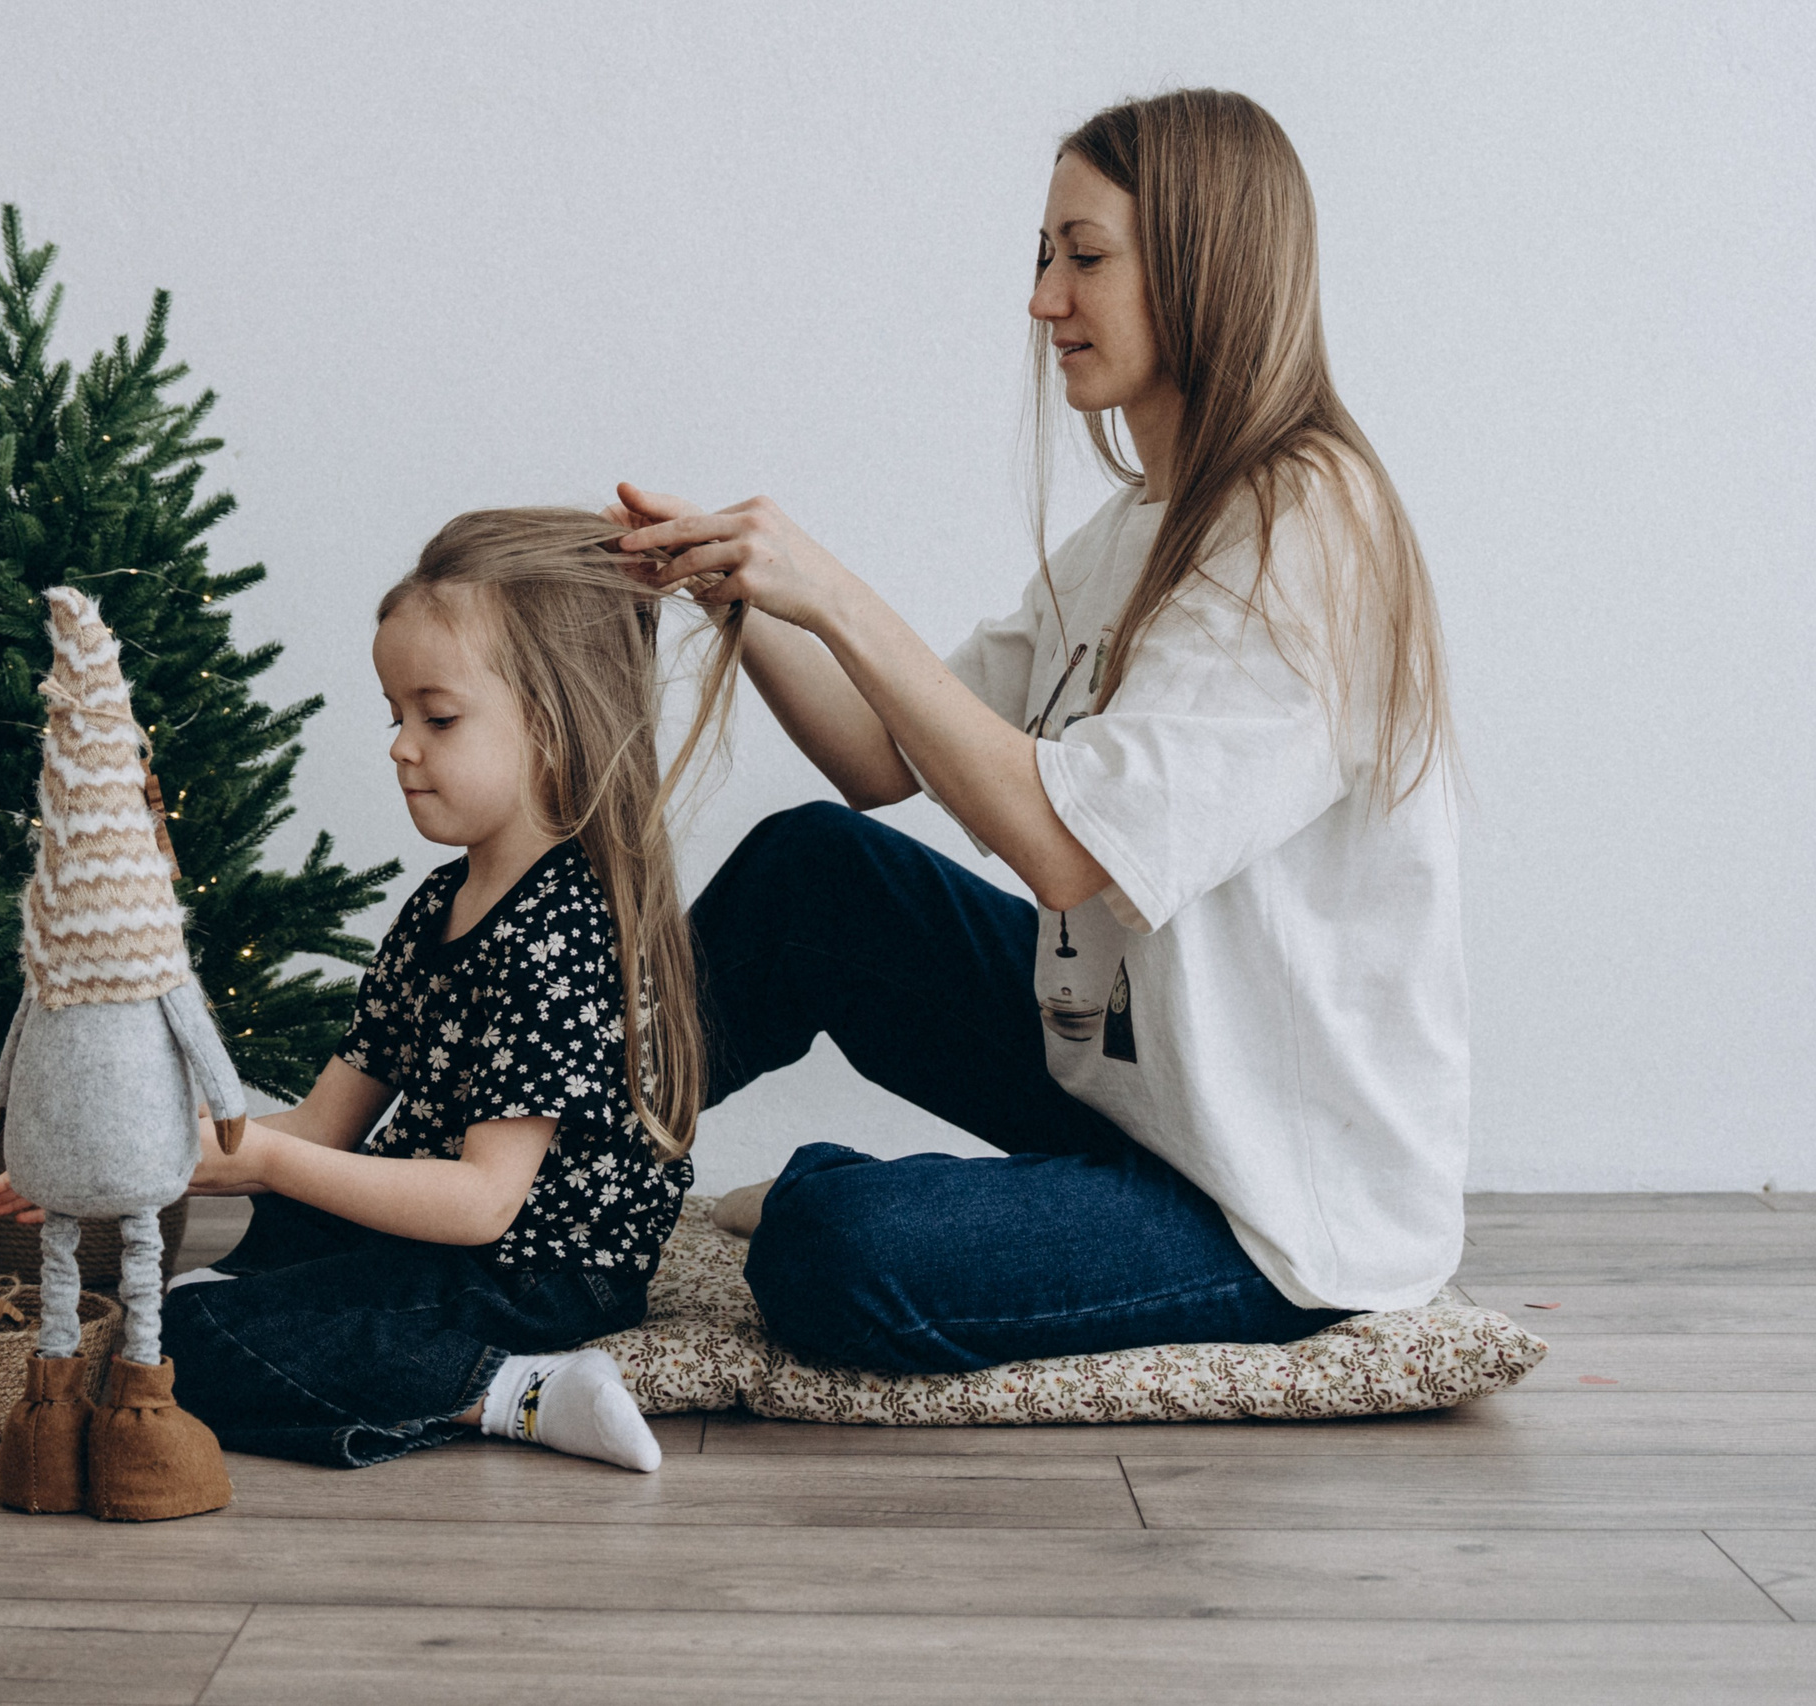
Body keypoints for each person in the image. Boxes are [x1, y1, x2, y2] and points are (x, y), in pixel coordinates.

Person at [612, 87, 1468, 1375]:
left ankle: (813, 1192)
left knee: (830, 1243)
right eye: (1041, 258)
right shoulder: (1142, 524)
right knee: (809, 875)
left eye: (1084, 257)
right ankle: (530, 1177)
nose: (1042, 299)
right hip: (1129, 1093)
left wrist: (835, 586)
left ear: (1201, 261)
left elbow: (1072, 851)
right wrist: (741, 591)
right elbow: (879, 755)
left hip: (1271, 1207)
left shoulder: (1306, 530)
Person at [0, 508, 737, 1469]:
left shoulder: (562, 930)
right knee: (274, 1229)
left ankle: (516, 1389)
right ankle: (267, 1312)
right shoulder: (439, 904)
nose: (399, 746)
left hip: (539, 1276)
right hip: (448, 1245)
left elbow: (481, 1204)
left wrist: (264, 1163)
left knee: (184, 1345)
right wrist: (121, 1163)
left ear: (554, 724)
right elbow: (322, 1126)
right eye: (395, 716)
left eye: (439, 717)